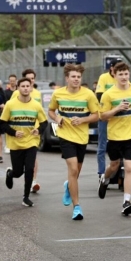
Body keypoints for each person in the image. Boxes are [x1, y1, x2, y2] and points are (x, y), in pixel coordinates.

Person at [48, 64, 100, 220]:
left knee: (75, 172)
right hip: (65, 136)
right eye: (73, 77)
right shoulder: (58, 94)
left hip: (82, 137)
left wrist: (83, 119)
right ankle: (77, 207)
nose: (76, 79)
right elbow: (51, 111)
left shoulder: (88, 94)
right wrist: (58, 118)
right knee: (73, 169)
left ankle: (68, 186)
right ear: (67, 78)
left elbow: (96, 115)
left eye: (78, 77)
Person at [98, 62, 131, 215]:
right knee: (114, 166)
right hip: (116, 136)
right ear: (115, 75)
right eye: (121, 74)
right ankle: (104, 180)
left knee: (129, 168)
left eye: (126, 74)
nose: (124, 77)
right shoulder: (109, 94)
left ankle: (126, 201)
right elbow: (103, 116)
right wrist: (117, 108)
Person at [0, 78, 47, 207]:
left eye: (28, 86)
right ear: (18, 88)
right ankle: (10, 173)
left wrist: (38, 130)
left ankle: (26, 197)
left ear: (31, 88)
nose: (25, 88)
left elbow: (44, 122)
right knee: (18, 172)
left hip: (31, 142)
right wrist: (14, 132)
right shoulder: (10, 104)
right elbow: (2, 123)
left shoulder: (36, 105)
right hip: (16, 143)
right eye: (23, 86)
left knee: (30, 169)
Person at [9, 69, 43, 193]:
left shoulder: (38, 94)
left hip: (34, 130)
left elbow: (40, 112)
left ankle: (33, 181)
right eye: (29, 78)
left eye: (33, 78)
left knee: (33, 157)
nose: (31, 80)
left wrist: (39, 128)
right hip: (20, 131)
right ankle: (13, 172)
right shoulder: (16, 94)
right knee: (20, 167)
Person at [93, 63, 117, 184]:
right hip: (105, 115)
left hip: (118, 117)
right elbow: (99, 95)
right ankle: (101, 172)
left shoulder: (122, 78)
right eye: (116, 68)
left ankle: (118, 172)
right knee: (102, 145)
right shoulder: (104, 77)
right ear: (111, 68)